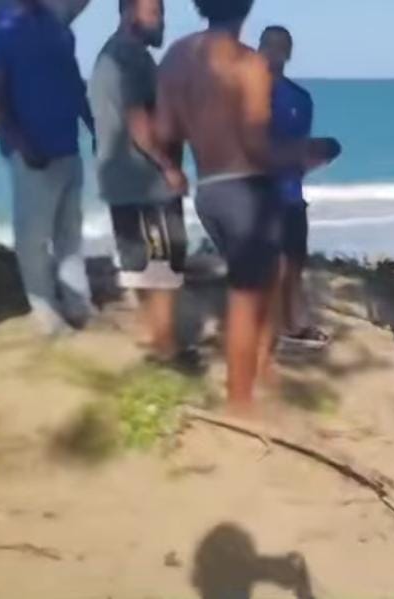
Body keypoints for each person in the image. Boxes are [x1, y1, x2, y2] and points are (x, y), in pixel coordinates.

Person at [155, 0, 340, 414]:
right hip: (247, 193)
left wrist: (184, 156)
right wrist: (304, 153)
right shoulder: (248, 65)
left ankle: (261, 368)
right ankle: (241, 404)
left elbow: (166, 130)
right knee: (245, 298)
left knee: (264, 281)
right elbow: (257, 147)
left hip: (208, 191)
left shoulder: (178, 55)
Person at [0, 0, 96, 337]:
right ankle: (45, 312)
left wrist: (94, 126)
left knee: (70, 233)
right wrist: (21, 144)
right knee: (34, 239)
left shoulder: (54, 25)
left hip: (68, 146)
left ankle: (78, 303)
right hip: (32, 151)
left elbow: (73, 81)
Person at [88, 0, 193, 366]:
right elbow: (137, 121)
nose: (161, 21)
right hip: (144, 180)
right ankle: (166, 349)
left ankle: (152, 338)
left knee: (141, 262)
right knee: (165, 261)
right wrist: (170, 168)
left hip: (121, 177)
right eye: (154, 12)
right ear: (131, 12)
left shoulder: (112, 54)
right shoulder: (128, 56)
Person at [258, 25, 330, 349]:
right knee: (269, 268)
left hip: (290, 194)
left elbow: (299, 151)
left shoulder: (301, 99)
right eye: (268, 45)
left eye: (280, 46)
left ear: (288, 52)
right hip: (256, 196)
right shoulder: (244, 94)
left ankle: (292, 324)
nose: (274, 52)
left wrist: (319, 154)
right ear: (259, 48)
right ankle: (268, 332)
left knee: (294, 264)